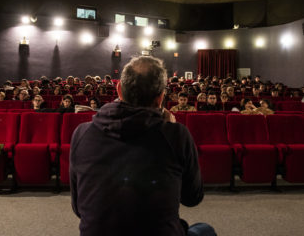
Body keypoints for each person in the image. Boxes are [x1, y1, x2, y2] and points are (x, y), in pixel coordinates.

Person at [70, 56, 215, 236]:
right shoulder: (177, 135)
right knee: (205, 230)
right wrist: (172, 130)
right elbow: (192, 198)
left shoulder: (81, 133)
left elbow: (78, 208)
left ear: (119, 90)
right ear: (161, 97)